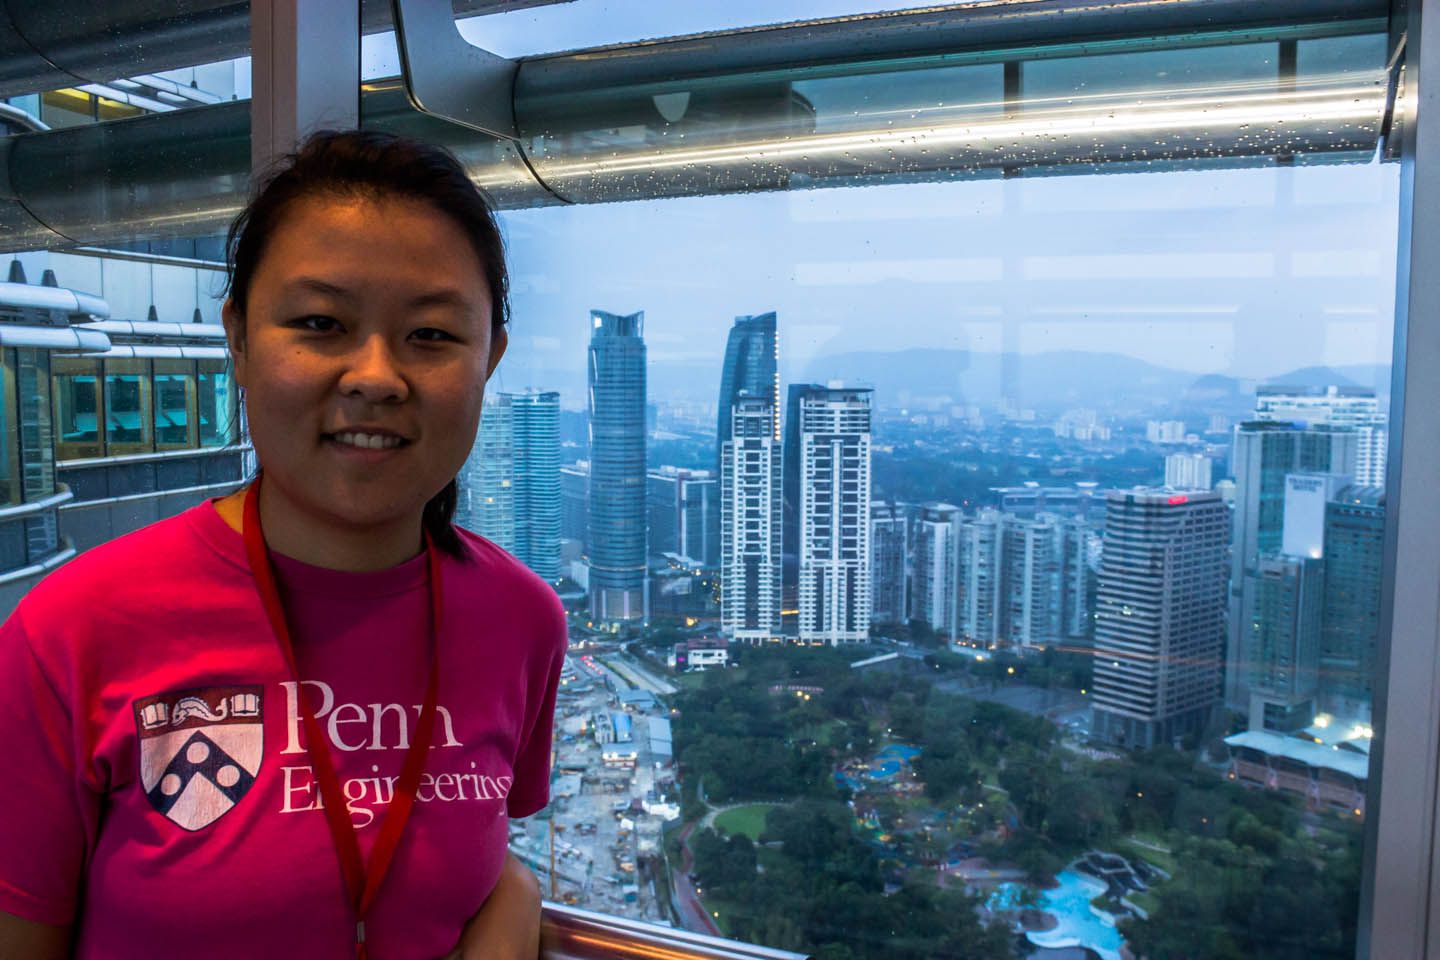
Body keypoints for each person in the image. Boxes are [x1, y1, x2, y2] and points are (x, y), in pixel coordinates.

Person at [0, 130, 566, 959]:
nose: (376, 376)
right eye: (320, 322)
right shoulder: (73, 631)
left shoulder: (522, 621)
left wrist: (513, 907)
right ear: (238, 338)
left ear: (491, 360)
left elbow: (474, 867)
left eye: (433, 335)